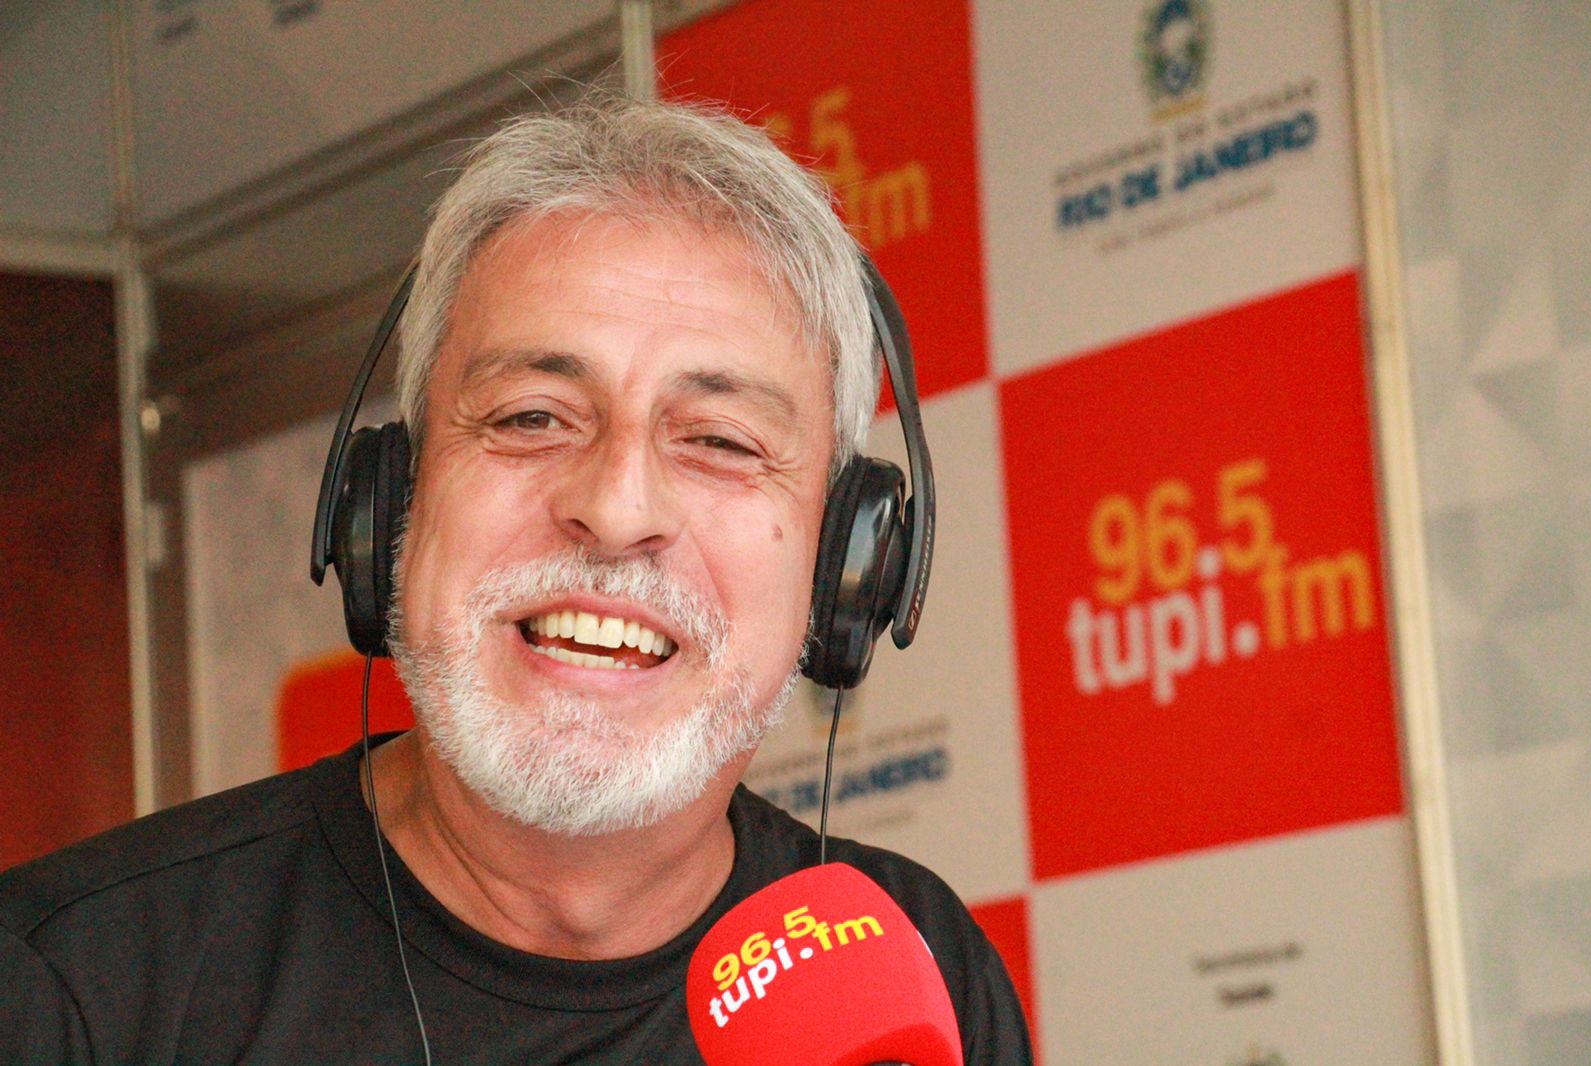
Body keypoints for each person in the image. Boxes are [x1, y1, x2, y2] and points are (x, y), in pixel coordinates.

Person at [0, 95, 1031, 1063]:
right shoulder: (72, 985)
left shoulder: (922, 972)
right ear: (390, 505)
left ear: (847, 564)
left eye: (720, 440)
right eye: (531, 418)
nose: (615, 510)